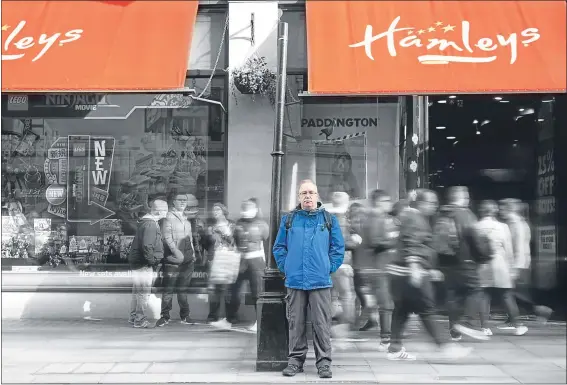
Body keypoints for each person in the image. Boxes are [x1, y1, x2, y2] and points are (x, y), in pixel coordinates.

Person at [386, 189, 471, 360]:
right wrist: (416, 267)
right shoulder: (415, 218)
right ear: (422, 203)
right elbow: (411, 243)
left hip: (401, 273)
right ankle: (445, 345)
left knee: (402, 310)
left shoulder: (411, 216)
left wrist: (428, 268)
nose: (435, 207)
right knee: (427, 309)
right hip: (409, 272)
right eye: (432, 203)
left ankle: (394, 348)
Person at [273, 179, 345, 379]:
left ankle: (324, 364)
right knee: (296, 323)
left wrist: (327, 267)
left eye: (311, 193)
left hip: (320, 281)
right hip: (295, 280)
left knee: (322, 323)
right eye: (303, 193)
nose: (307, 196)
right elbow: (279, 247)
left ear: (317, 195)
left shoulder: (329, 220)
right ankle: (296, 361)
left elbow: (338, 249)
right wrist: (286, 266)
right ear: (299, 197)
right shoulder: (289, 220)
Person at [433, 186, 488, 341]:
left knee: (453, 295)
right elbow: (474, 238)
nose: (468, 198)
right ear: (462, 197)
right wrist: (482, 256)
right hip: (465, 259)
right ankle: (468, 322)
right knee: (475, 290)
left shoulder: (441, 214)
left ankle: (454, 329)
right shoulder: (465, 214)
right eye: (466, 195)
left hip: (446, 261)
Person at [476, 200, 528, 336]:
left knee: (484, 295)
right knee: (506, 295)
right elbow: (508, 249)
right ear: (494, 211)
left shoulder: (476, 226)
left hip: (483, 264)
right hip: (500, 263)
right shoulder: (502, 227)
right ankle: (517, 326)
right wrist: (511, 267)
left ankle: (484, 328)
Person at [498, 199, 552, 325]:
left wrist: (515, 268)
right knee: (512, 293)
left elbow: (519, 247)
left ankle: (540, 311)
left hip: (518, 264)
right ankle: (514, 317)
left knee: (509, 293)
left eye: (502, 208)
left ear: (509, 209)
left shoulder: (516, 224)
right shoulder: (514, 223)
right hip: (517, 264)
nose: (500, 211)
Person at [218, 198, 269, 332]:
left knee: (257, 292)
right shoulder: (239, 223)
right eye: (244, 208)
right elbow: (234, 240)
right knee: (233, 290)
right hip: (240, 260)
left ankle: (260, 322)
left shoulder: (262, 224)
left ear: (256, 210)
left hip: (255, 261)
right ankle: (229, 319)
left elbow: (267, 242)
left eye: (248, 208)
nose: (246, 211)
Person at [360, 189, 399, 350]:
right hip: (377, 268)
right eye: (386, 201)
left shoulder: (383, 219)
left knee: (386, 304)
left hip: (382, 266)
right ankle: (386, 338)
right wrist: (394, 241)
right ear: (378, 202)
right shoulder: (375, 219)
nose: (389, 204)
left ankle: (387, 336)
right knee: (386, 304)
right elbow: (376, 242)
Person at [155, 192, 196, 327]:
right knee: (168, 290)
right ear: (174, 202)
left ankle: (185, 315)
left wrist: (194, 254)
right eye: (180, 200)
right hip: (173, 261)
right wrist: (177, 253)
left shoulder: (186, 218)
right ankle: (165, 316)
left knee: (183, 290)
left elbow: (189, 238)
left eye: (185, 200)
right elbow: (167, 238)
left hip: (188, 261)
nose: (183, 202)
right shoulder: (168, 218)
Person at [128, 199, 168, 328]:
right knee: (143, 292)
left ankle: (133, 317)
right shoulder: (151, 224)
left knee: (137, 291)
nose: (167, 213)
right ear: (158, 211)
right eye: (166, 210)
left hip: (138, 262)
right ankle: (140, 320)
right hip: (144, 263)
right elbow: (147, 246)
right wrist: (152, 261)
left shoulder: (145, 222)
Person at [327, 192, 356, 342]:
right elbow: (341, 242)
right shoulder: (340, 219)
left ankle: (330, 326)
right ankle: (342, 327)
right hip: (341, 263)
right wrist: (354, 241)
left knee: (332, 295)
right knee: (347, 296)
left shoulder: (326, 217)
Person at [206, 203, 237, 324]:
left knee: (228, 288)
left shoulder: (232, 225)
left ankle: (231, 315)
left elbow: (234, 242)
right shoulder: (211, 226)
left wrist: (223, 234)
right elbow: (207, 245)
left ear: (224, 211)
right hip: (214, 258)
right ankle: (213, 315)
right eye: (213, 210)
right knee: (214, 289)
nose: (215, 211)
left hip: (228, 258)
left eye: (217, 209)